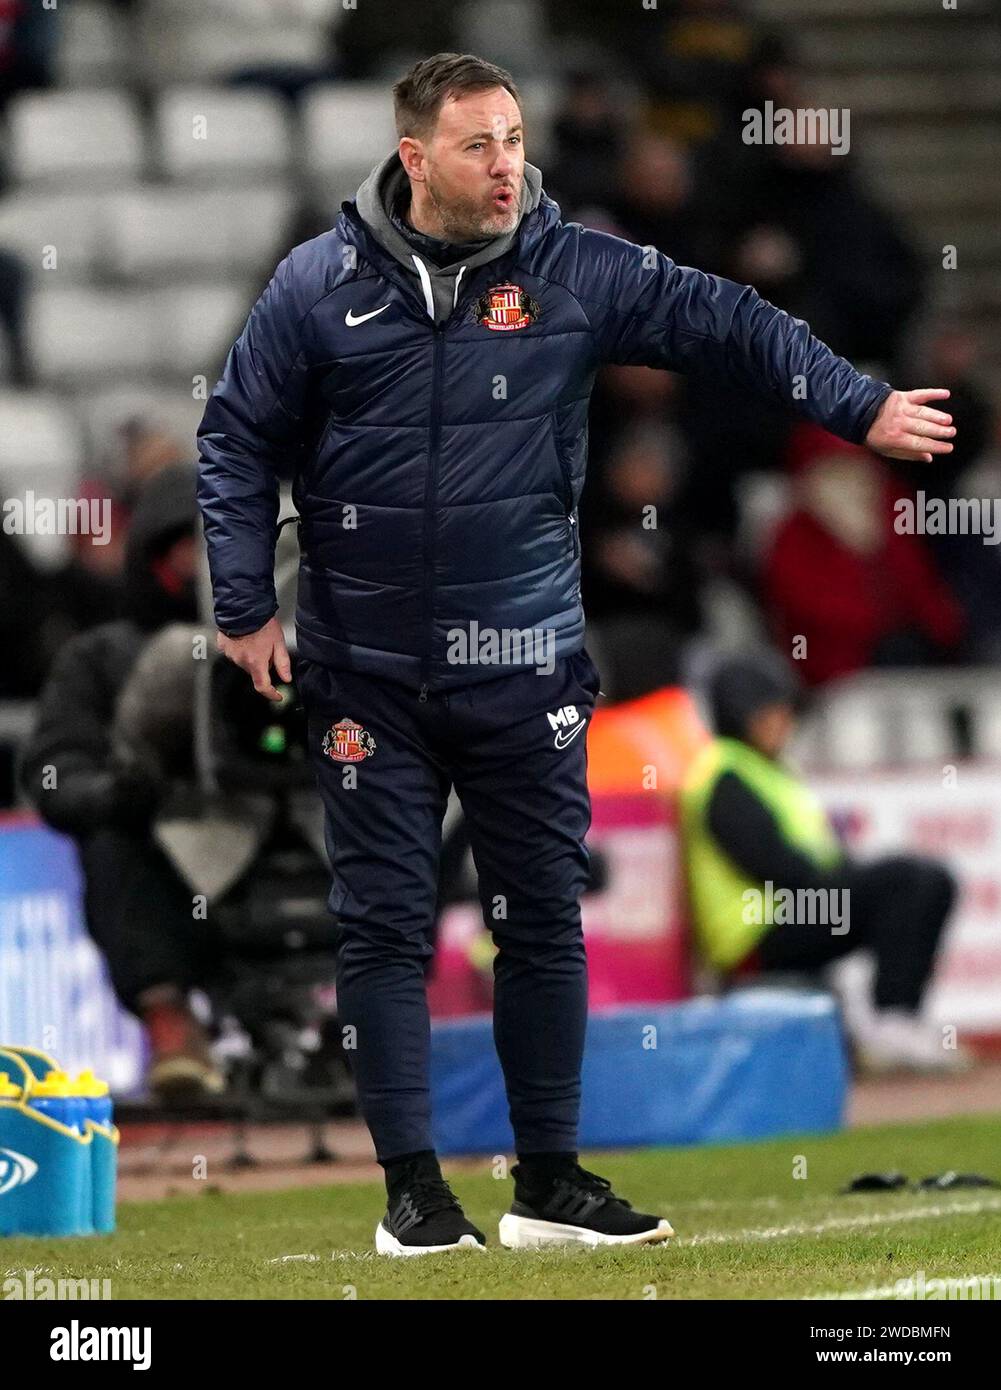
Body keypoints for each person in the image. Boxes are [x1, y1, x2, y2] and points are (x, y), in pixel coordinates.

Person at [197, 52, 956, 1256]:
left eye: (514, 139)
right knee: (385, 928)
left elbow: (729, 320)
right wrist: (244, 602)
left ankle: (547, 1183)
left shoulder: (575, 267)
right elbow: (234, 435)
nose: (507, 167)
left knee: (542, 917)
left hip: (526, 664)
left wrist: (850, 403)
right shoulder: (316, 284)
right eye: (477, 146)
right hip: (364, 672)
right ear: (414, 159)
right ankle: (414, 1200)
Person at [20, 465, 226, 1101]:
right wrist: (119, 791)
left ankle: (357, 1024)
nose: (211, 564)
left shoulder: (300, 643)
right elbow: (55, 773)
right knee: (110, 838)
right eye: (195, 546)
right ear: (158, 553)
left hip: (286, 837)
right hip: (164, 858)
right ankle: (170, 1022)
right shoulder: (99, 656)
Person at [680, 652, 969, 1074]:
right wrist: (849, 884)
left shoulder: (766, 771)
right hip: (756, 935)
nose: (784, 724)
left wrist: (845, 881)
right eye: (769, 714)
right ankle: (891, 1021)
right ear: (738, 715)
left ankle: (898, 1020)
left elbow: (812, 861)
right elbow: (777, 866)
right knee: (907, 882)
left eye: (785, 713)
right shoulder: (723, 775)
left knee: (923, 881)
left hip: (790, 914)